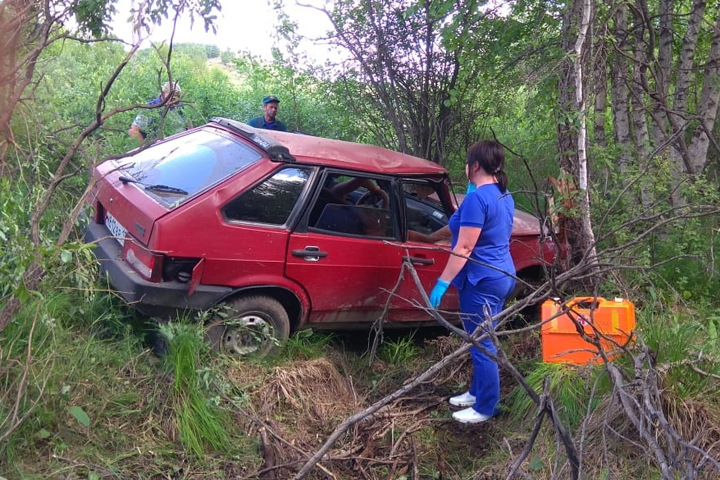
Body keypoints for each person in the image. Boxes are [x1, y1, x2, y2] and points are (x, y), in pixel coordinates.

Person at [427, 140, 515, 424]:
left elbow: (464, 248)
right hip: (501, 275)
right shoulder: (503, 195)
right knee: (484, 338)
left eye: (467, 163)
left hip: (482, 278)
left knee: (481, 343)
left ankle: (487, 407)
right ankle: (478, 393)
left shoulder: (479, 199)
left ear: (474, 166)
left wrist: (442, 282)